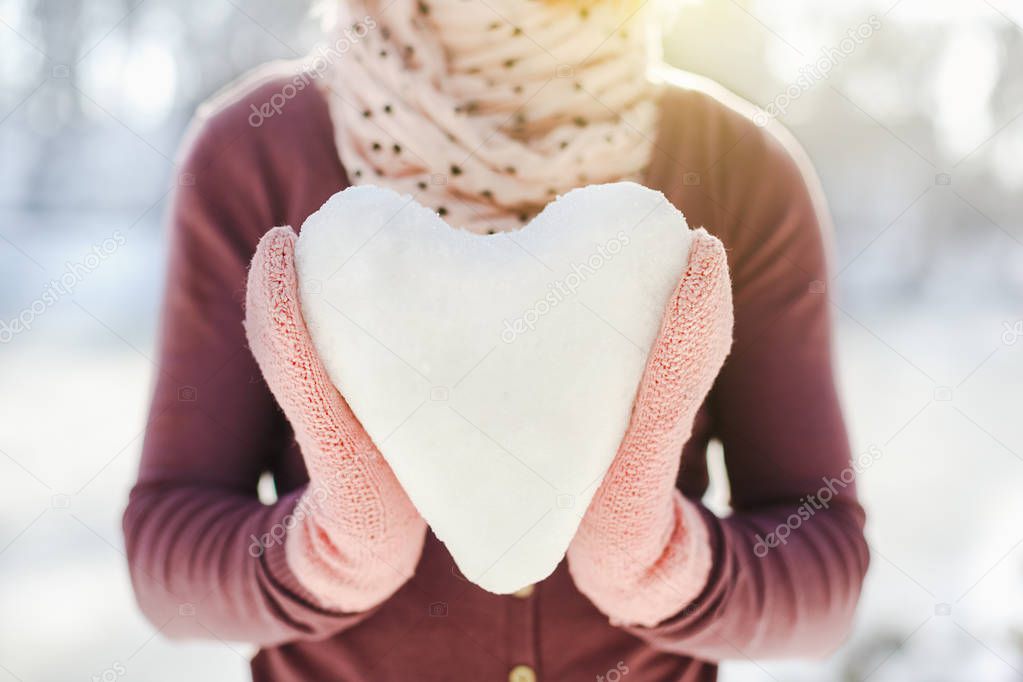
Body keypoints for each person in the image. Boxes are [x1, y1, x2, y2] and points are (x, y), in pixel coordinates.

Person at [123, 1, 869, 680]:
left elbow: (823, 566)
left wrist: (664, 563)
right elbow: (165, 556)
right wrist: (328, 553)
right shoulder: (253, 153)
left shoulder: (742, 169)